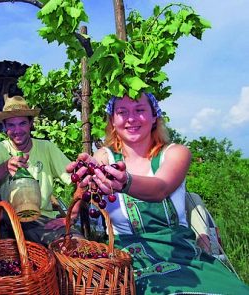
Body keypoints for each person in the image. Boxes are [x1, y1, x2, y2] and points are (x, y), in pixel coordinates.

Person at [68, 93, 249, 294]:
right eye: (122, 112)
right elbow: (78, 202)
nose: (131, 119)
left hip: (181, 253)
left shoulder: (175, 153)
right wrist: (85, 180)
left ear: (155, 116)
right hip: (128, 259)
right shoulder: (105, 156)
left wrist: (126, 181)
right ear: (112, 120)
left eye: (140, 110)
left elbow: (160, 188)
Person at [0, 95, 81, 246]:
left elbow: (79, 178)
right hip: (7, 219)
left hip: (41, 220)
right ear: (5, 127)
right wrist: (4, 167)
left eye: (22, 123)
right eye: (11, 125)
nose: (17, 130)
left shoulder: (46, 147)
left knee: (77, 244)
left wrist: (71, 216)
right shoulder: (1, 148)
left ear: (31, 124)